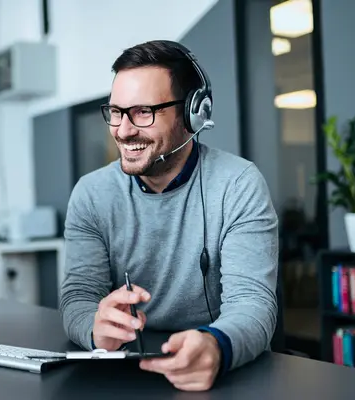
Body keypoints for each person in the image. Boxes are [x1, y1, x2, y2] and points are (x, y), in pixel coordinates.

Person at [59, 39, 278, 392]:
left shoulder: (238, 184)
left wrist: (216, 345)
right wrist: (94, 328)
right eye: (116, 111)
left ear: (193, 114)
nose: (124, 130)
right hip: (127, 375)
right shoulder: (91, 193)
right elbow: (78, 297)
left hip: (221, 372)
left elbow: (254, 304)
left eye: (143, 111)